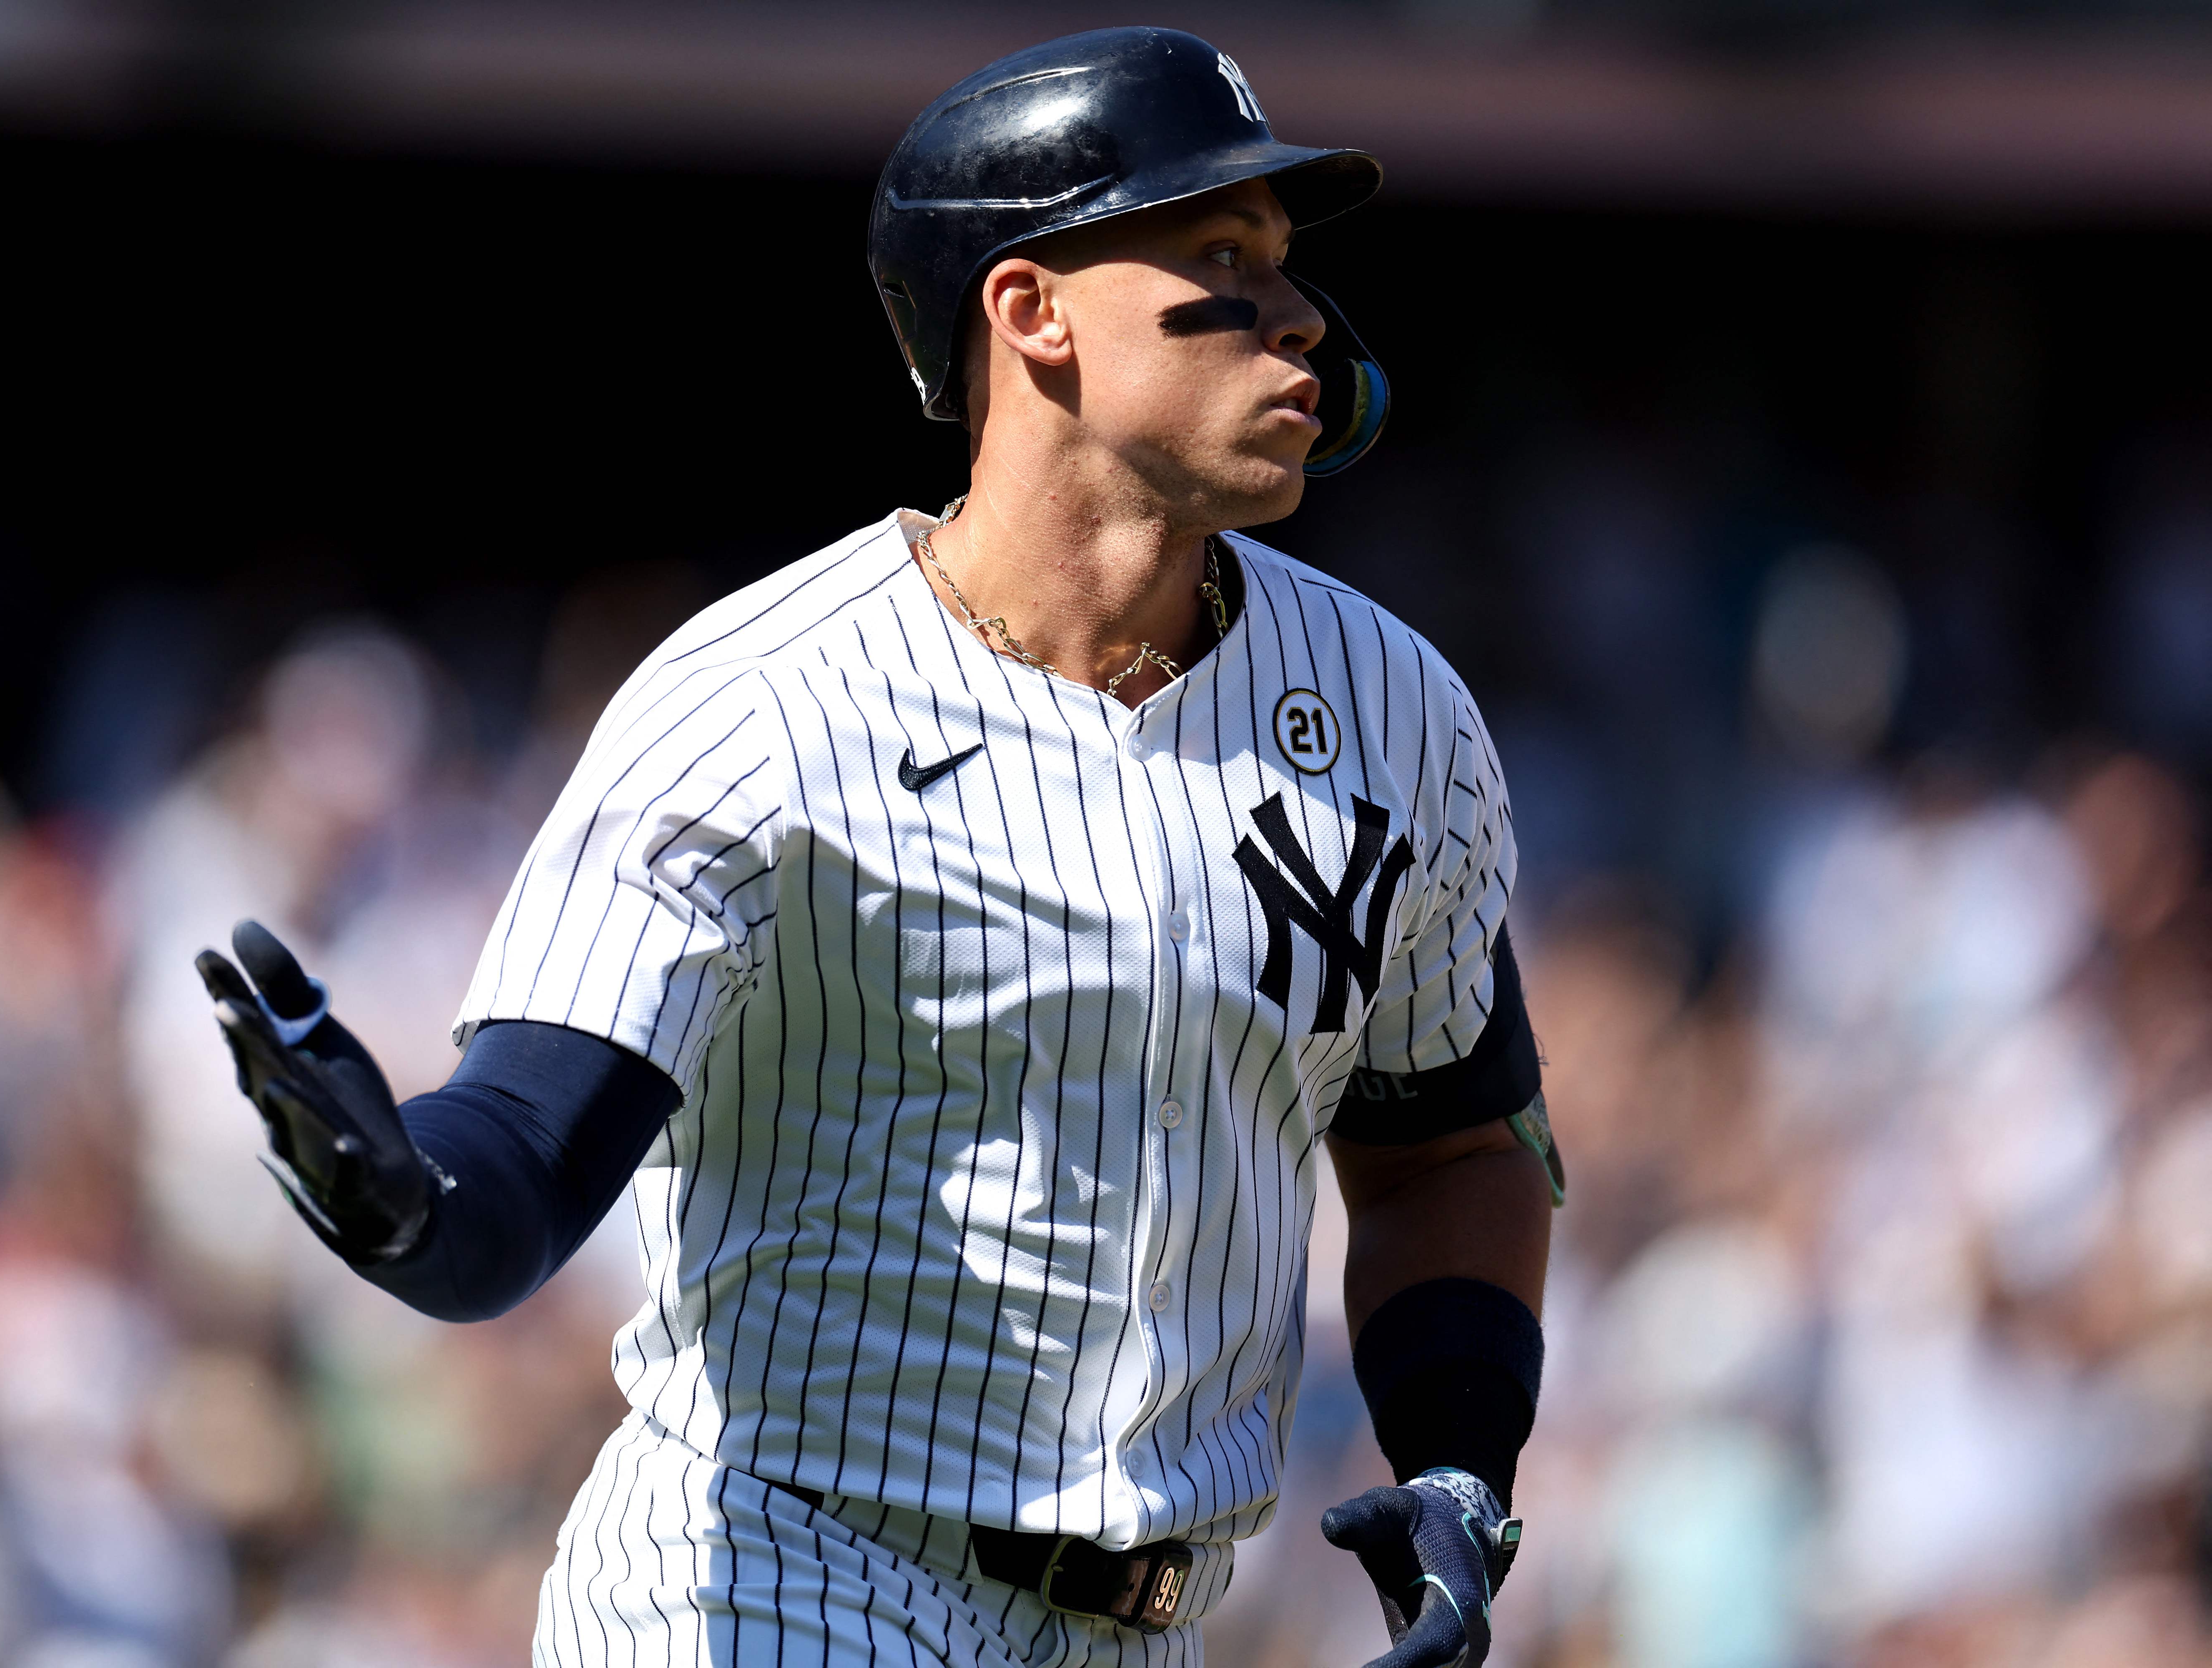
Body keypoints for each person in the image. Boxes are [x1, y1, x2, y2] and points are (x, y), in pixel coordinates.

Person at [198, 27, 1559, 1667]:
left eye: (1286, 265)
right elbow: (526, 1148)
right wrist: (409, 1200)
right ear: (1030, 313)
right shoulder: (765, 703)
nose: (1301, 322)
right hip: (780, 1575)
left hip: (1148, 1629)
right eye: (1217, 259)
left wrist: (1460, 1456)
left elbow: (1452, 1156)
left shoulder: (1396, 713)